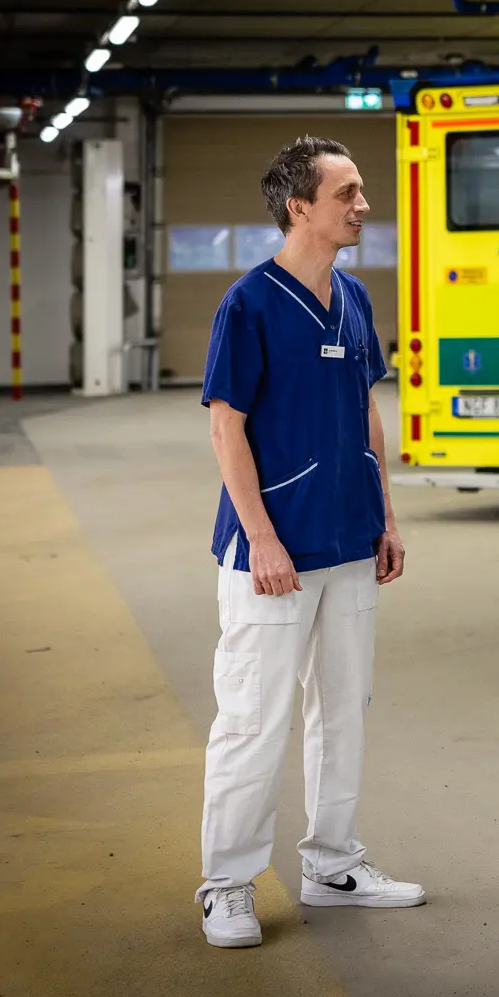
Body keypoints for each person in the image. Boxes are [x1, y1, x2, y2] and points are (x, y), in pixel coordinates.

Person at [195, 136, 423, 949]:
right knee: (253, 719)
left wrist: (385, 517)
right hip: (275, 554)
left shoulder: (353, 297)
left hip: (350, 542)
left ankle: (333, 865)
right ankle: (226, 883)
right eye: (346, 193)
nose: (363, 205)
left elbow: (365, 410)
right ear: (299, 208)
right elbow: (226, 427)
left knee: (343, 713)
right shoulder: (249, 304)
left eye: (359, 192)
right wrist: (261, 539)